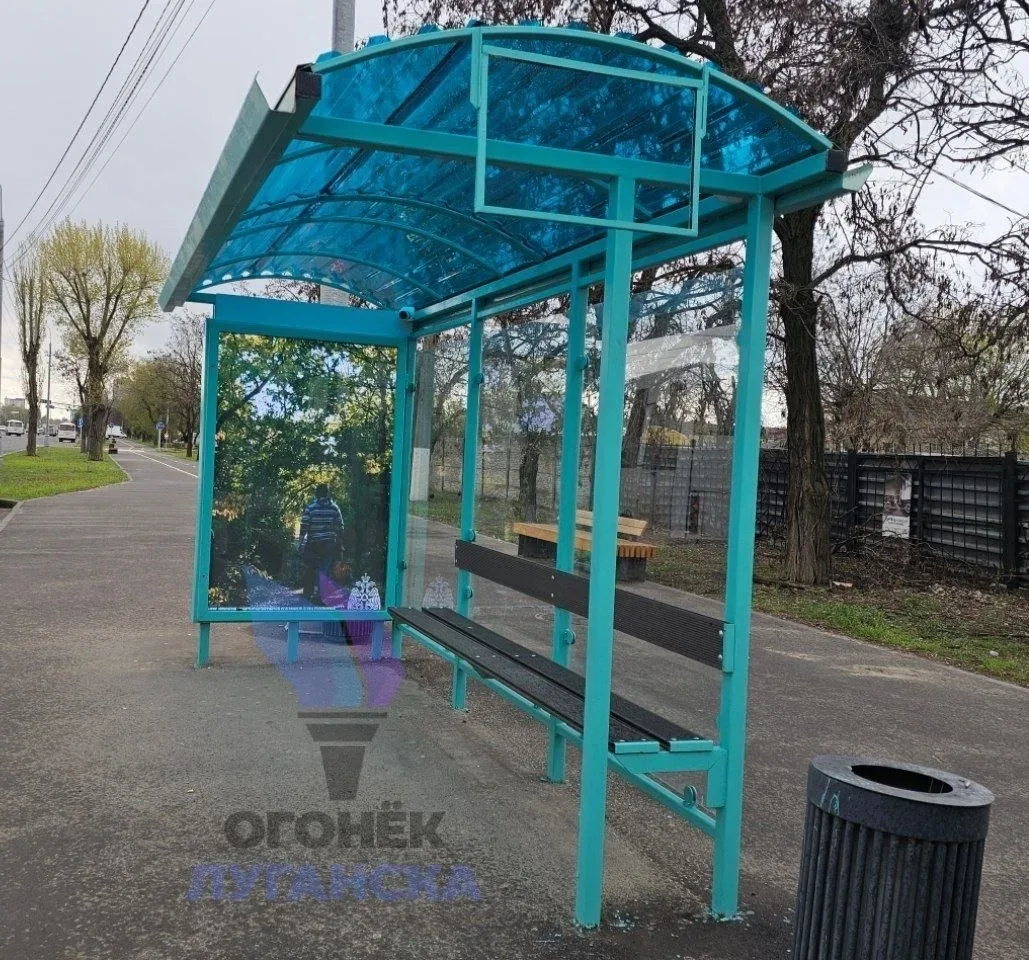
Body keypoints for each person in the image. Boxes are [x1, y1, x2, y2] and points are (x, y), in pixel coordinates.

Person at [298, 482, 344, 602]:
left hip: (313, 544)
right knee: (324, 569)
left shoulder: (311, 507)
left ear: (317, 493)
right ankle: (320, 596)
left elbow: (304, 526)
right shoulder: (334, 508)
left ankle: (308, 593)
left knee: (310, 568)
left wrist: (300, 543)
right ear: (328, 494)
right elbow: (340, 526)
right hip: (329, 544)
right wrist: (339, 543)